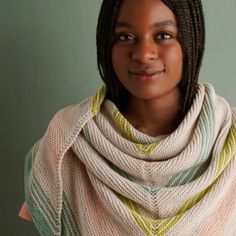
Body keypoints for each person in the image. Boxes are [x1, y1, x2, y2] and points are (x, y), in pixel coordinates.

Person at [19, 0, 236, 235]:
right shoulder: (64, 147)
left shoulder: (230, 140)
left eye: (163, 35)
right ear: (106, 44)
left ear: (190, 41)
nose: (143, 54)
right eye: (125, 37)